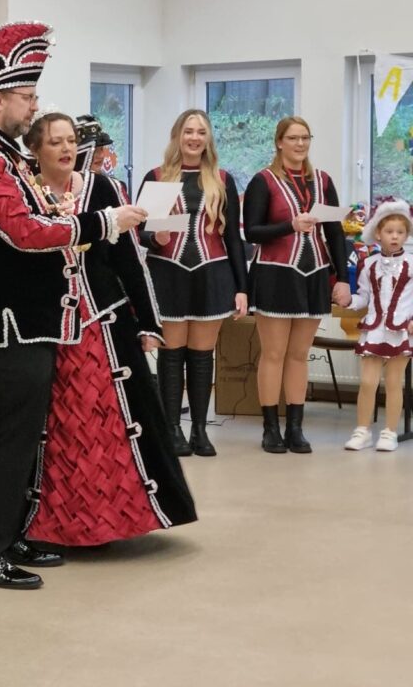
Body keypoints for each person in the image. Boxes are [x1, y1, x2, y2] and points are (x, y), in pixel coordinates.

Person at [0, 22, 147, 590]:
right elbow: (24, 232)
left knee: (24, 437)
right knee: (10, 439)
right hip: (7, 325)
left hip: (27, 321)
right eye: (27, 97)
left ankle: (11, 534)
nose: (35, 106)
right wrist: (101, 222)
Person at [23, 113, 196, 548]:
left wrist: (149, 321)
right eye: (56, 142)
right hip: (51, 327)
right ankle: (55, 525)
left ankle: (116, 517)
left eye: (70, 141)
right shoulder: (23, 192)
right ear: (36, 150)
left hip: (105, 321)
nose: (66, 149)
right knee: (60, 427)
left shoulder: (101, 189)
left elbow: (128, 261)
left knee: (111, 420)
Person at [139, 110, 248, 457]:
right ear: (177, 135)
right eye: (188, 131)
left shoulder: (223, 178)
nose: (195, 138)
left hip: (212, 274)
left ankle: (200, 430)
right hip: (167, 273)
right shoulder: (156, 177)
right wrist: (156, 237)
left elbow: (234, 237)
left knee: (202, 356)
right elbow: (139, 233)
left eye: (201, 132)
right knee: (172, 355)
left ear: (208, 138)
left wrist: (242, 288)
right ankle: (172, 430)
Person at [243, 116, 350, 453]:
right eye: (293, 138)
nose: (300, 144)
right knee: (273, 353)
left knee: (299, 355)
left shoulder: (323, 180)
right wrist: (289, 225)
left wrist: (343, 280)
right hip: (275, 272)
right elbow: (252, 232)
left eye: (305, 138)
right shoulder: (264, 180)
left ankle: (296, 428)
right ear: (279, 142)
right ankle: (270, 428)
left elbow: (335, 232)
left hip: (314, 273)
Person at [344, 200, 413, 452]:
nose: (395, 237)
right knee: (368, 383)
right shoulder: (369, 264)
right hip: (374, 328)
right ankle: (362, 430)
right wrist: (349, 300)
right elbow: (364, 296)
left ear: (406, 234)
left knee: (394, 383)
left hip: (400, 330)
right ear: (377, 234)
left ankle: (390, 432)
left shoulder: (412, 263)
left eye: (400, 232)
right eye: (389, 231)